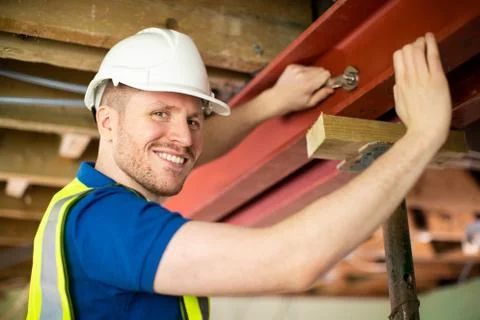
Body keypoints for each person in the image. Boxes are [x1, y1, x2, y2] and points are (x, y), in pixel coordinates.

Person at [26, 28, 451, 320]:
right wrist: (424, 135)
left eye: (194, 120)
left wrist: (271, 103)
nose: (185, 138)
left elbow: (177, 145)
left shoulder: (82, 207)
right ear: (108, 122)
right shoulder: (105, 224)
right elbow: (291, 260)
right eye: (160, 113)